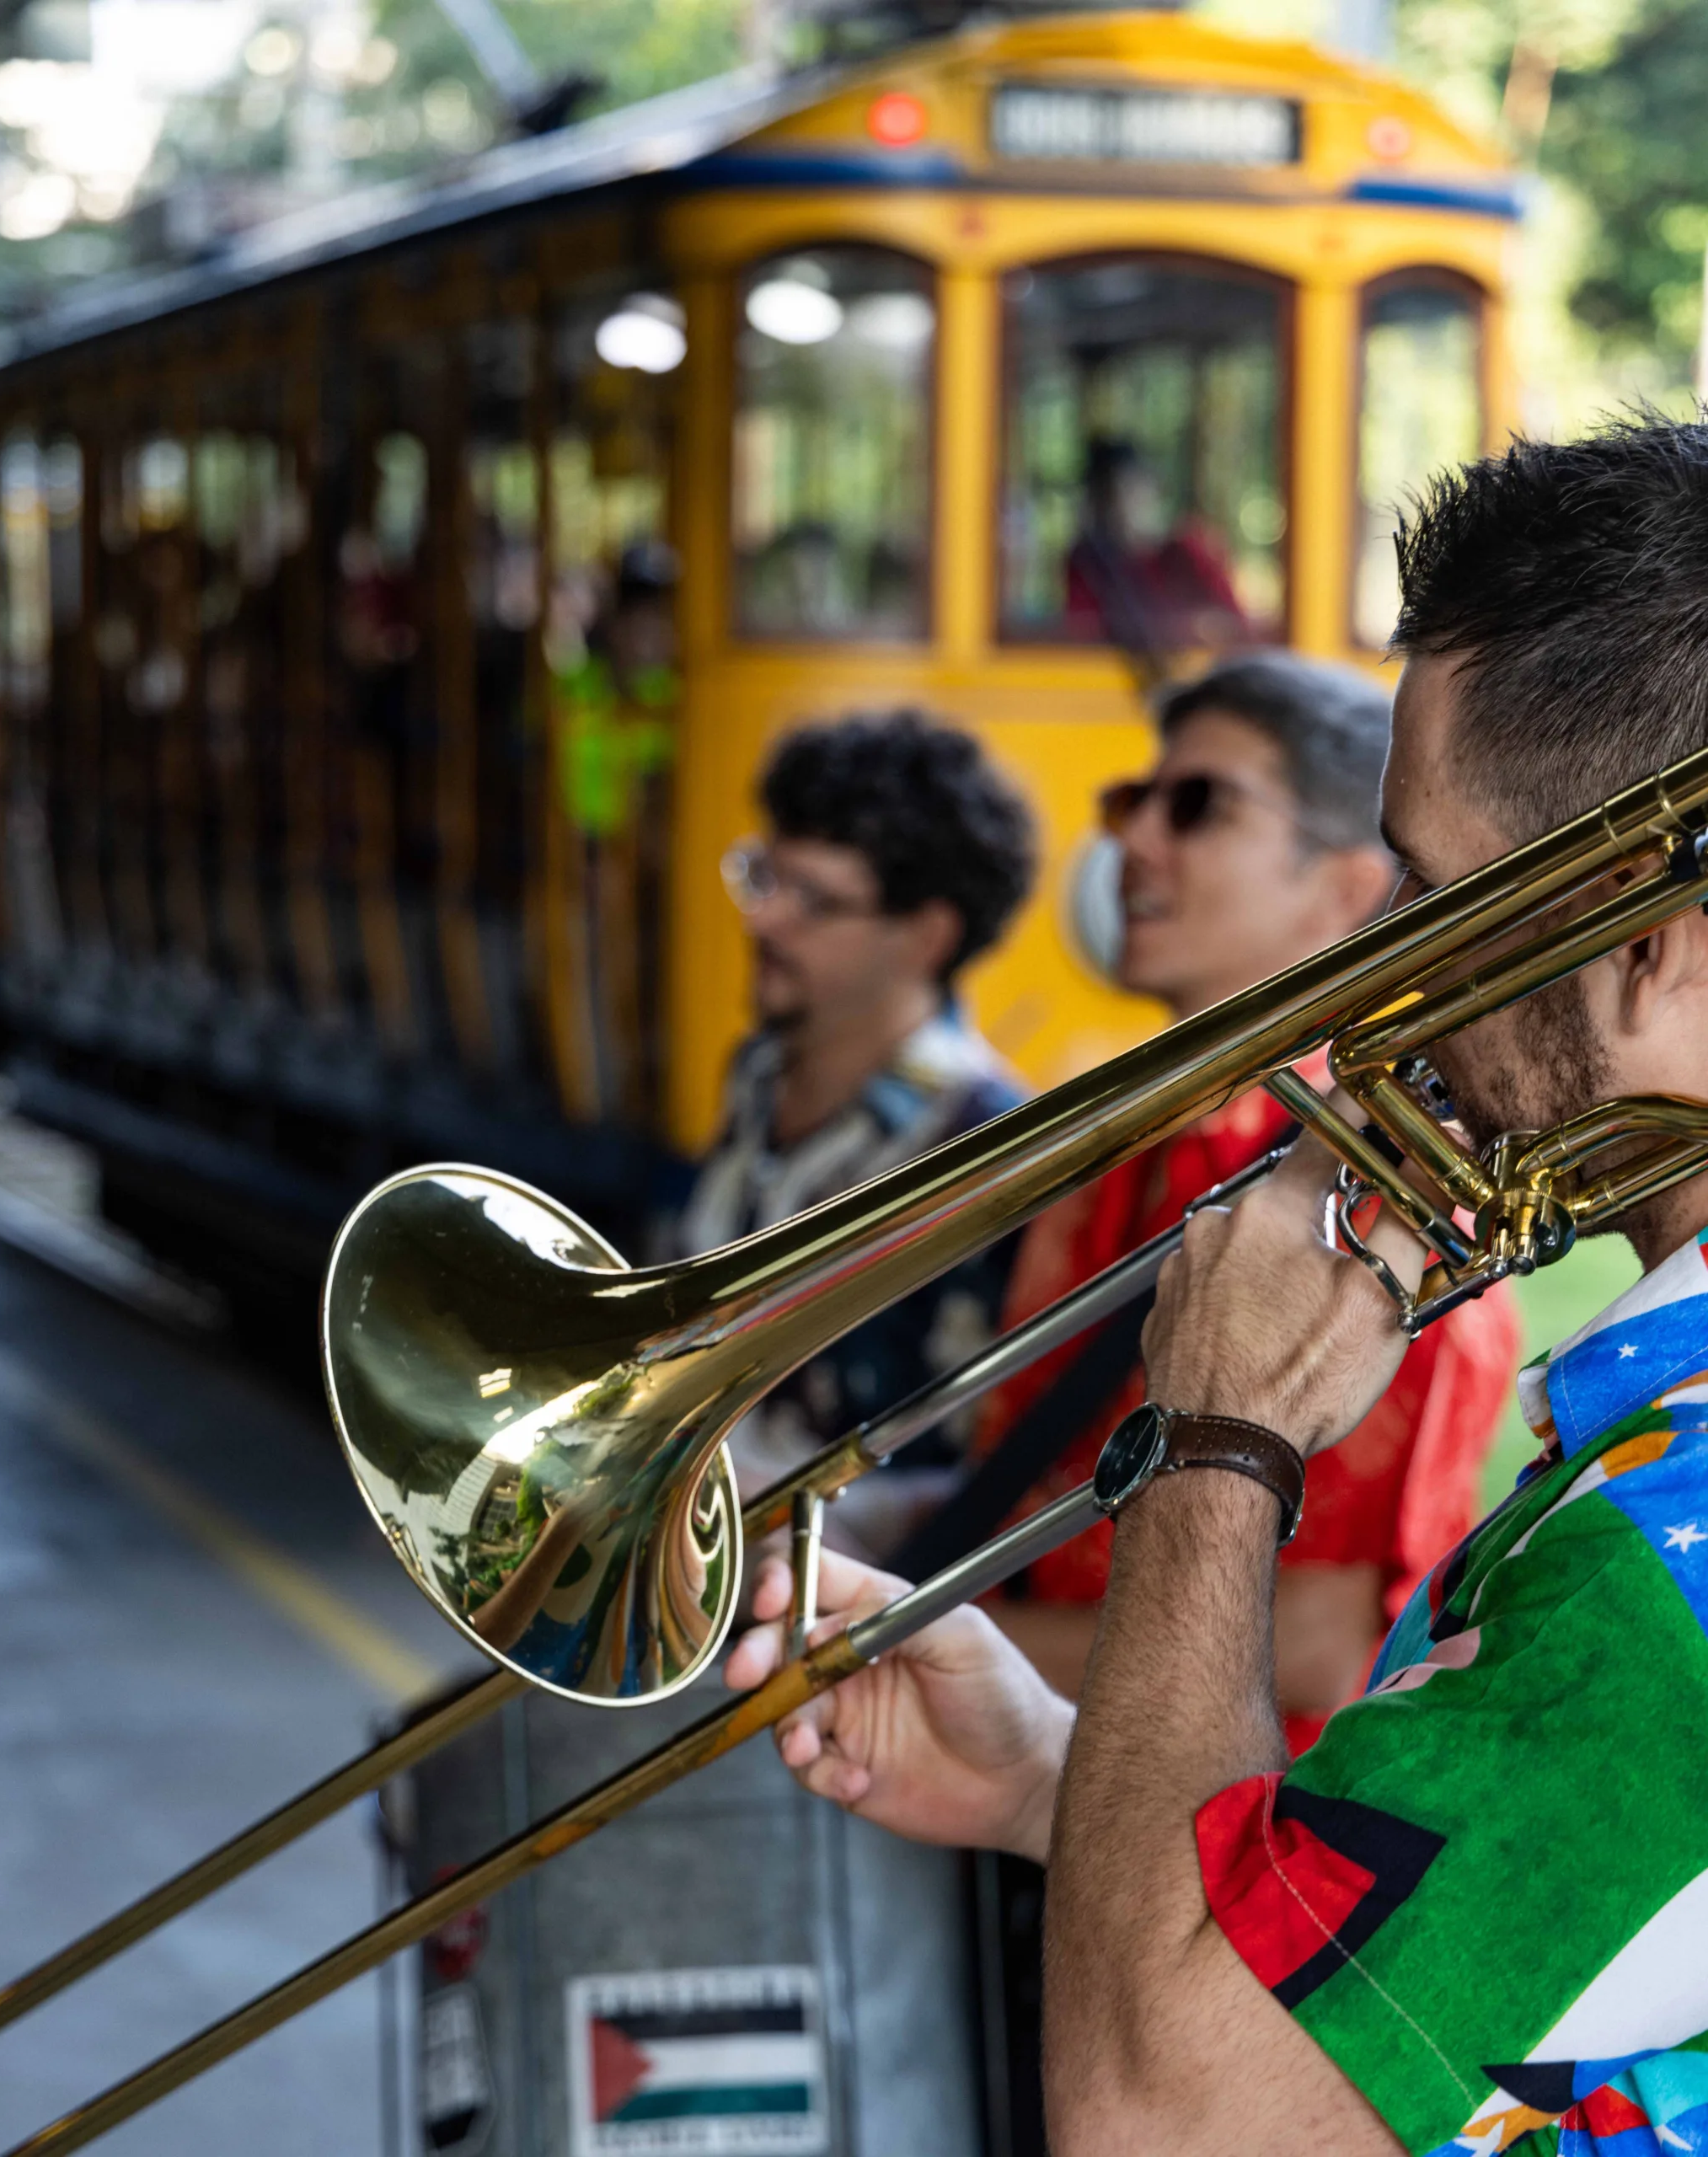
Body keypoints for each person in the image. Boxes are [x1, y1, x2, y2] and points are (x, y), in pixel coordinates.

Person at [728, 415, 1708, 2154]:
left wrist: (1219, 1441)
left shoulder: (1666, 1578)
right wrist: (1052, 1771)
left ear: (1648, 935)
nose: (1379, 960)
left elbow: (1162, 2124)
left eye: (1425, 885)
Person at [975, 654, 1521, 1751]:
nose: (1130, 843)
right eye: (1134, 803)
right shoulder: (1121, 1150)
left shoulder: (1389, 1186)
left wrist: (907, 1644)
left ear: (1350, 888)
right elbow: (1020, 1497)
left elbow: (1325, 1642)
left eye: (1198, 807)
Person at [673, 708, 1036, 1554]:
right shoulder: (759, 1071)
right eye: (764, 876)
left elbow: (991, 1475)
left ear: (925, 936)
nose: (762, 919)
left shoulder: (986, 1152)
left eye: (814, 900)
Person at [1065, 436, 1249, 651]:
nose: (1120, 506)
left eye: (1130, 490)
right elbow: (1082, 638)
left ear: (1153, 489)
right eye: (1107, 496)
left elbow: (1235, 627)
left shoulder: (1188, 552)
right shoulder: (1088, 566)